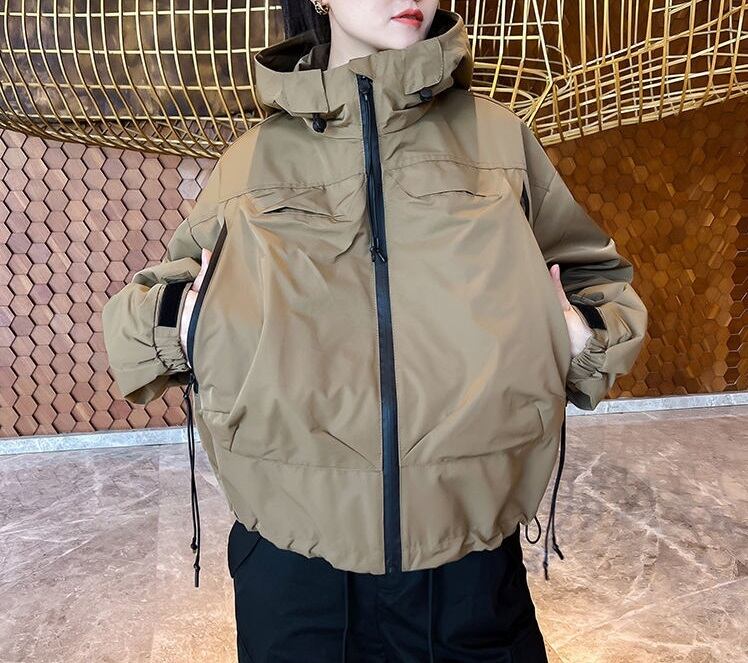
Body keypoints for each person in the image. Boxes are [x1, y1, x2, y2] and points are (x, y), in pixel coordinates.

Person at [101, 1, 648, 661]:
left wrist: (578, 335)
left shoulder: (498, 143)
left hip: (467, 560)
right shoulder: (254, 160)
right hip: (296, 565)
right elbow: (146, 316)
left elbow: (599, 282)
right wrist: (188, 326)